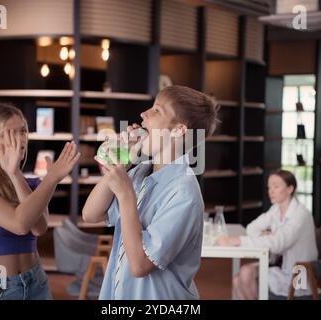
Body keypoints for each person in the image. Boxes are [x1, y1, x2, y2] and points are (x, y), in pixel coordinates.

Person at [83, 85, 219, 299]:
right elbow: (90, 214)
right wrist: (124, 162)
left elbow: (140, 265)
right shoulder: (139, 173)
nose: (143, 114)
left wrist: (126, 195)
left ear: (178, 130)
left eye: (157, 110)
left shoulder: (184, 193)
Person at [0, 103, 80, 300]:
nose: (20, 140)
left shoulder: (33, 184)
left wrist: (17, 175)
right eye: (10, 134)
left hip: (36, 282)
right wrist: (51, 179)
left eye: (23, 131)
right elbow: (19, 224)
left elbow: (39, 227)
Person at [217, 169, 318, 299]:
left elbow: (278, 243)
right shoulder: (276, 209)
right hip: (278, 265)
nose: (271, 191)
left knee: (245, 276)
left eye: (276, 186)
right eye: (269, 187)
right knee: (239, 278)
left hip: (298, 274)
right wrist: (268, 236)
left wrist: (239, 240)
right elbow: (251, 228)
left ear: (290, 189)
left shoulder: (300, 215)